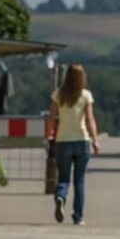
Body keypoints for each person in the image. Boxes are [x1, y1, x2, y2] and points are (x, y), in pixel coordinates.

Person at [47, 64, 100, 225]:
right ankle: (78, 216)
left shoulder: (58, 94)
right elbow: (90, 119)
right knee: (79, 181)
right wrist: (95, 140)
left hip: (63, 141)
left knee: (63, 177)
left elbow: (51, 117)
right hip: (81, 141)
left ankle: (60, 196)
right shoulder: (85, 95)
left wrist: (51, 132)